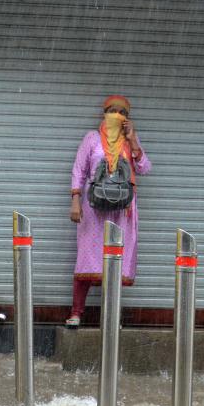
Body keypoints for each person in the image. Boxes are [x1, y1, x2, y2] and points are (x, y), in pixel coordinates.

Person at [66, 95, 151, 327]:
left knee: (116, 261)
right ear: (104, 113)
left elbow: (144, 168)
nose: (117, 115)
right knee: (86, 259)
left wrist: (133, 141)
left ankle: (111, 316)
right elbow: (79, 170)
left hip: (122, 210)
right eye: (112, 110)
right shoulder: (91, 139)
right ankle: (76, 313)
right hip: (93, 208)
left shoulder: (129, 140)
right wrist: (75, 201)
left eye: (122, 112)